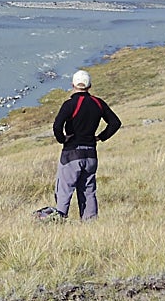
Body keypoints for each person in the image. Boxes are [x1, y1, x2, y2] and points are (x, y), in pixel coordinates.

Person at [52, 69, 121, 220]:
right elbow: (115, 123)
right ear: (89, 86)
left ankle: (59, 221)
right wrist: (100, 137)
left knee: (64, 190)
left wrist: (62, 139)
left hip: (71, 153)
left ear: (73, 85)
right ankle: (90, 224)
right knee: (88, 191)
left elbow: (57, 126)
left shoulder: (69, 104)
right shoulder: (98, 103)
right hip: (91, 154)